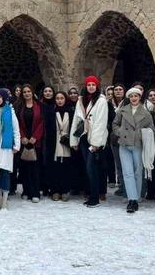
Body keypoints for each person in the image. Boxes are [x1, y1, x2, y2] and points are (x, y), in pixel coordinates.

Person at [112, 87, 155, 213]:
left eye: (136, 96)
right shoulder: (122, 111)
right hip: (124, 144)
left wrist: (142, 134)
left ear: (140, 97)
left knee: (138, 172)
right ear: (129, 98)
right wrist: (120, 132)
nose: (134, 98)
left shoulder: (146, 113)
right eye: (131, 96)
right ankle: (132, 199)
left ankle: (136, 198)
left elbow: (152, 128)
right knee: (127, 172)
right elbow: (115, 124)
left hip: (138, 145)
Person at [70, 76, 108, 208]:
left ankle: (95, 197)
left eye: (93, 84)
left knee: (92, 168)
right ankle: (91, 194)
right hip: (84, 138)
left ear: (97, 86)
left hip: (94, 139)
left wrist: (95, 144)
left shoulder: (101, 101)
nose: (91, 86)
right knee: (88, 168)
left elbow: (101, 123)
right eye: (89, 84)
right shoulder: (81, 100)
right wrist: (73, 140)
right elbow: (76, 120)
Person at [15, 84, 44, 202]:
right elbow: (17, 123)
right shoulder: (19, 106)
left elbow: (42, 123)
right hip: (24, 141)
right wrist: (22, 137)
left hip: (35, 141)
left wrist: (35, 137)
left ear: (32, 92)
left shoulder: (39, 106)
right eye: (24, 92)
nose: (27, 93)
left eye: (28, 91)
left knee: (35, 168)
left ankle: (35, 192)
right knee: (24, 167)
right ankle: (26, 190)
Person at [46, 91, 73, 201]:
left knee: (66, 168)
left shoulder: (70, 112)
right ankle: (55, 190)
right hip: (54, 143)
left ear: (65, 99)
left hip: (66, 143)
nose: (59, 100)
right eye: (57, 98)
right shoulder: (51, 112)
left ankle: (65, 190)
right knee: (54, 167)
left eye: (62, 98)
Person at [107, 84, 126, 196]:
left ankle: (127, 187)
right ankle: (121, 185)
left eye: (120, 89)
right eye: (116, 90)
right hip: (113, 137)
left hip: (125, 137)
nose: (118, 91)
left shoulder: (127, 103)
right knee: (118, 163)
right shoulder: (109, 104)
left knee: (126, 164)